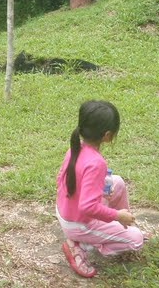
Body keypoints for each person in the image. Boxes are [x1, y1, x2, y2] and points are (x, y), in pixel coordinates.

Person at [55, 100, 145, 278]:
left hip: (65, 211)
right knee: (137, 239)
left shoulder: (75, 147)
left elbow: (61, 180)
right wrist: (117, 215)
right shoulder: (96, 163)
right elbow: (87, 207)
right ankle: (81, 245)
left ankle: (120, 225)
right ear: (107, 135)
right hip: (79, 224)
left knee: (116, 182)